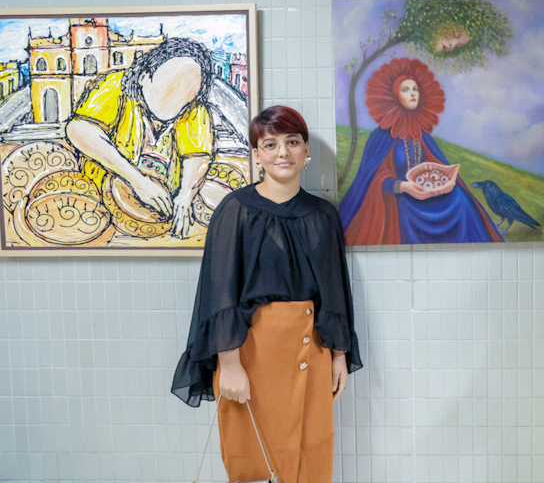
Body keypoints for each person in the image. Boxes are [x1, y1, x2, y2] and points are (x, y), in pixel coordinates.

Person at [172, 106, 362, 483]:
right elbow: (219, 291)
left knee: (310, 457)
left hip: (313, 349)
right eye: (270, 144)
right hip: (251, 353)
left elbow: (335, 289)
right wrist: (229, 364)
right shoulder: (236, 210)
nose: (282, 152)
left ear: (306, 151)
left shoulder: (322, 214)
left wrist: (339, 355)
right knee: (254, 462)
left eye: (292, 142)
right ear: (257, 154)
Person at [339, 57, 503, 245]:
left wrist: (443, 180)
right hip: (400, 199)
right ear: (394, 96)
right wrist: (402, 187)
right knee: (403, 210)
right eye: (405, 90)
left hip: (426, 196)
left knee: (460, 198)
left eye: (415, 89)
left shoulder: (421, 134)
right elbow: (373, 179)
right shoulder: (382, 136)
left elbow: (435, 165)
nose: (412, 94)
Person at [67, 37, 214, 238]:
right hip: (101, 204)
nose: (175, 96)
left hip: (158, 214)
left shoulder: (195, 110)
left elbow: (198, 154)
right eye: (169, 84)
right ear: (144, 77)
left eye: (187, 90)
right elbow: (78, 129)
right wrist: (139, 181)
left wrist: (185, 195)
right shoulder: (116, 84)